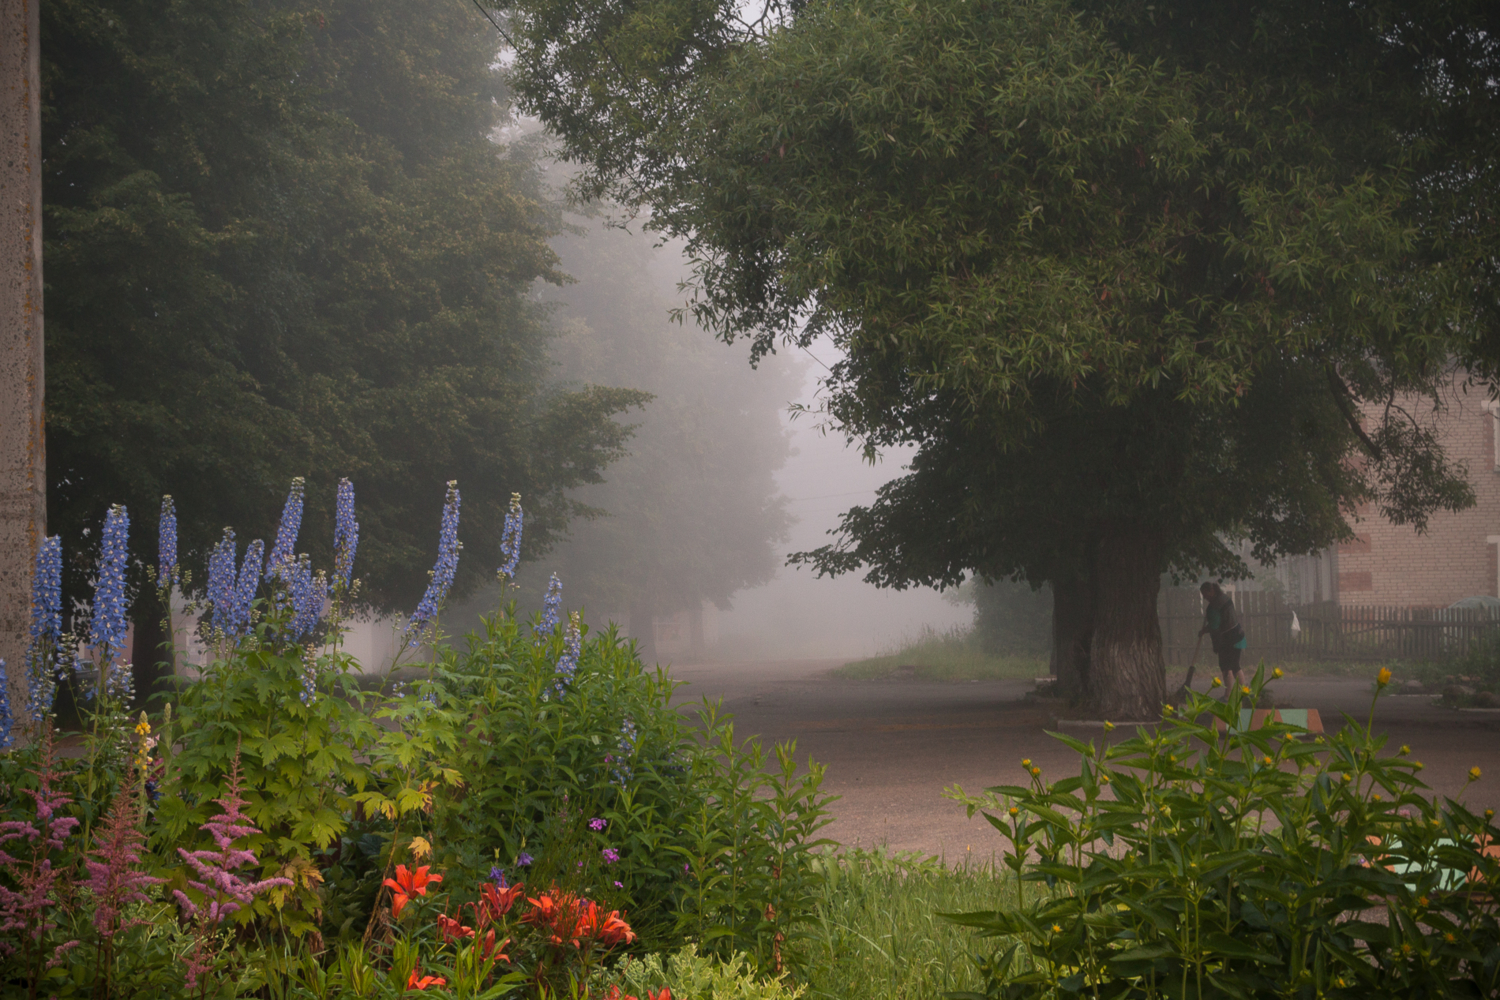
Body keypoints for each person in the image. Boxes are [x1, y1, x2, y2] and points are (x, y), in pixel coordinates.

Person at [1199, 582, 1247, 692]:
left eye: (1205, 594)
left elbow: (1215, 626)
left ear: (1211, 591)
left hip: (1229, 640)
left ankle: (1228, 695)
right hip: (1238, 635)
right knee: (1235, 666)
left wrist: (1206, 632)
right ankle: (1245, 693)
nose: (1204, 597)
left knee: (1226, 668)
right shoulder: (1225, 598)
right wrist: (1205, 629)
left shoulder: (1214, 606)